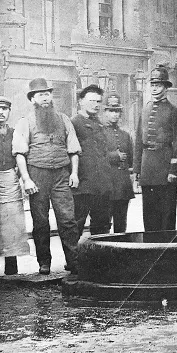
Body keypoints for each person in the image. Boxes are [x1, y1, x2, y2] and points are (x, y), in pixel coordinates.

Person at [12, 78, 81, 275]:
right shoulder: (25, 122)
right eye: (40, 94)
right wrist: (26, 179)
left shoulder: (64, 120)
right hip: (37, 175)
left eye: (47, 94)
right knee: (40, 221)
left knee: (67, 219)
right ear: (32, 99)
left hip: (61, 175)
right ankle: (44, 262)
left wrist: (74, 173)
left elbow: (73, 150)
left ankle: (73, 261)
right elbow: (19, 154)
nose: (45, 97)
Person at [133, 67, 177, 232]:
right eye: (153, 84)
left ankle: (166, 251)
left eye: (159, 85)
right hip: (147, 169)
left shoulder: (175, 112)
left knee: (166, 215)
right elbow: (138, 141)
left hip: (165, 170)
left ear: (166, 87)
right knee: (149, 215)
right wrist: (137, 169)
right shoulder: (144, 110)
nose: (155, 88)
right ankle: (151, 248)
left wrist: (174, 170)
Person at [0, 96, 30, 276]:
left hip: (10, 183)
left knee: (12, 227)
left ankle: (11, 273)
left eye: (4, 109)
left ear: (9, 112)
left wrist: (22, 176)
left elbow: (21, 155)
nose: (1, 112)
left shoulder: (14, 132)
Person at [71, 85, 113, 238]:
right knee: (76, 225)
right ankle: (73, 261)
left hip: (102, 185)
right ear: (81, 101)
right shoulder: (73, 123)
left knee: (102, 227)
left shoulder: (100, 124)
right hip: (82, 185)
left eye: (98, 101)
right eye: (91, 101)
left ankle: (98, 261)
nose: (96, 104)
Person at [102, 93, 134, 233]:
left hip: (122, 186)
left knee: (121, 223)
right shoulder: (99, 133)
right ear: (105, 112)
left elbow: (131, 159)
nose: (115, 115)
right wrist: (115, 156)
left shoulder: (125, 135)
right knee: (104, 223)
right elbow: (96, 157)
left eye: (117, 111)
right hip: (107, 185)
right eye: (111, 111)